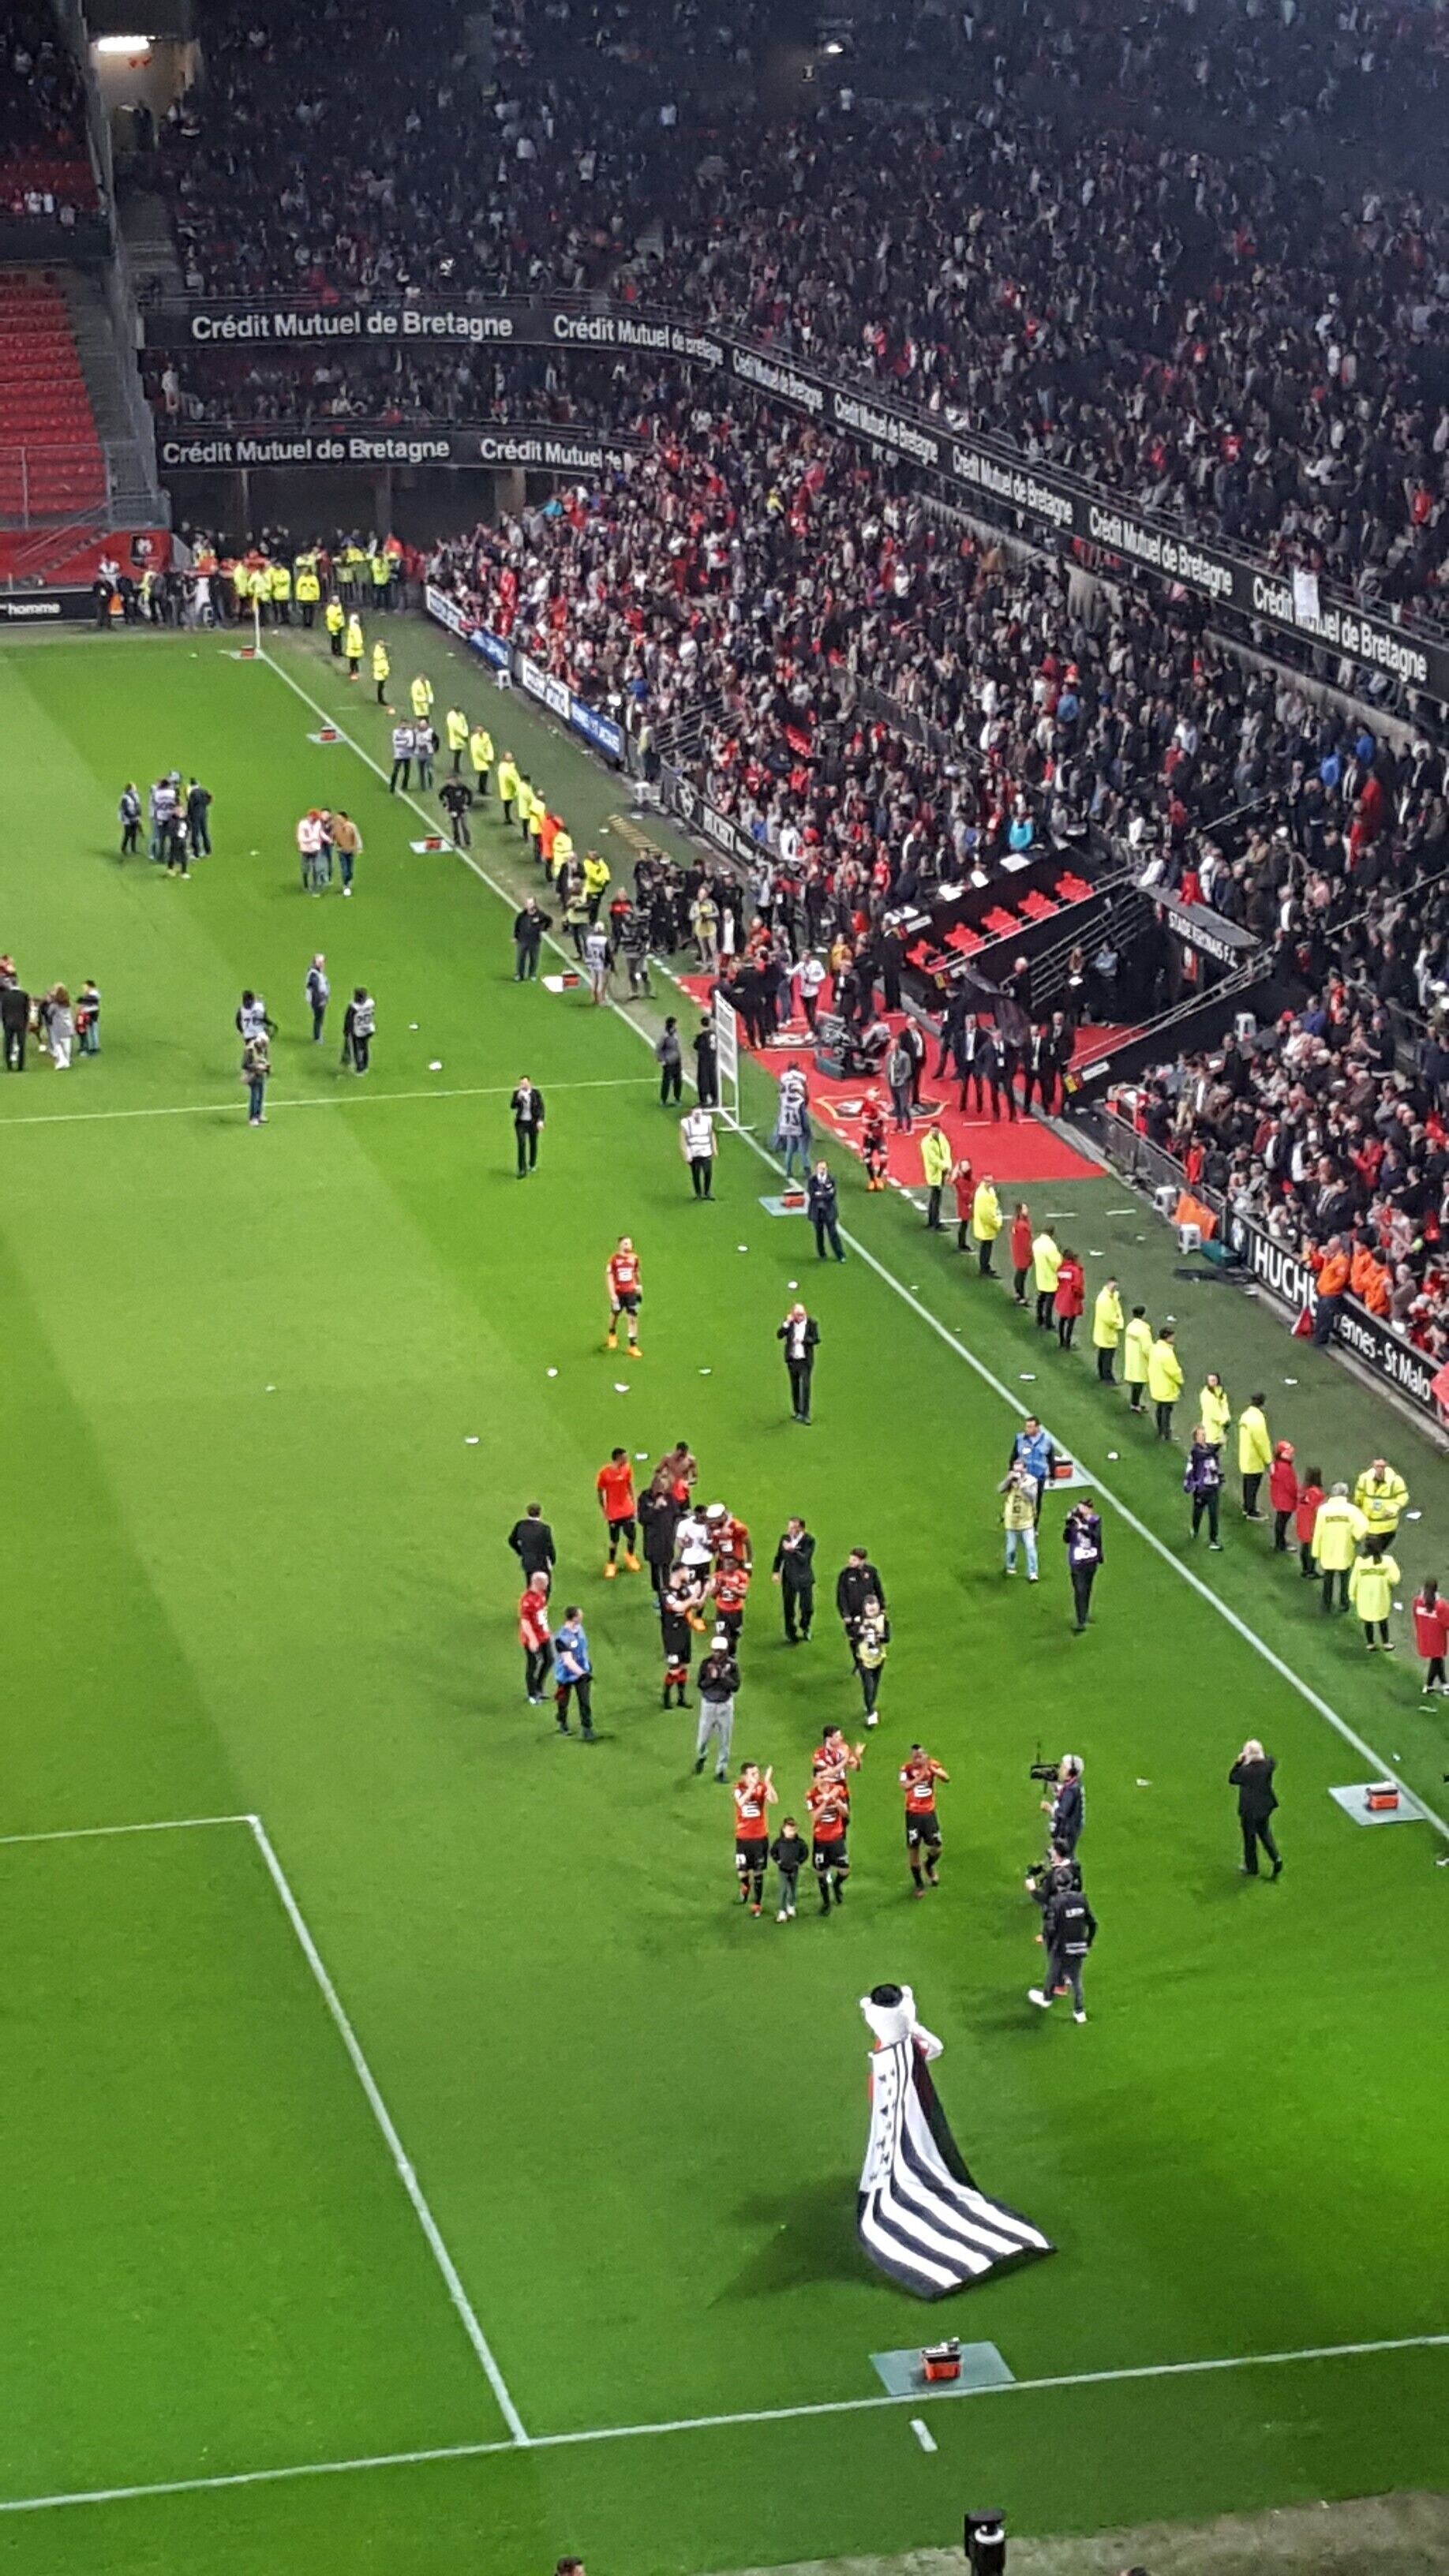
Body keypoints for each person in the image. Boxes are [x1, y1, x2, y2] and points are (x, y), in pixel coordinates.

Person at [1029, 1875, 1097, 2021]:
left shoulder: (1057, 1901)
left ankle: (1046, 1999)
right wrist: (1088, 1941)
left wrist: (1045, 1936)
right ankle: (1080, 2013)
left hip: (1062, 1946)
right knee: (1076, 1979)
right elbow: (1092, 1923)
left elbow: (1052, 1925)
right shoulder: (1081, 1899)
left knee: (1053, 1971)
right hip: (1079, 1945)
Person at [1229, 1740, 1281, 1878]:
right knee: (1265, 1833)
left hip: (1250, 1810)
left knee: (1249, 1838)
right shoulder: (1268, 1765)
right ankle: (1276, 1858)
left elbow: (1233, 1778)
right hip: (1265, 1806)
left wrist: (1239, 1762)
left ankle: (1252, 1867)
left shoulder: (1246, 1772)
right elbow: (1271, 1760)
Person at [1312, 1482, 1366, 1612]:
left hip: (1328, 1549)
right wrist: (1356, 1537)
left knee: (1328, 1578)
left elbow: (1318, 1532)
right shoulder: (1351, 1510)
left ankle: (1326, 1604)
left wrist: (1315, 1551)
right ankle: (1344, 1603)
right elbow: (1363, 1526)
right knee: (1344, 1578)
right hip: (1345, 1549)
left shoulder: (1323, 1510)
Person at [900, 1747, 949, 1893]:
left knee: (937, 1848)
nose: (918, 1759)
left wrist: (931, 1770)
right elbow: (905, 1786)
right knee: (913, 1850)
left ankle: (928, 1865)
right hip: (913, 1815)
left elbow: (946, 1778)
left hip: (929, 1813)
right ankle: (919, 1884)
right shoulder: (906, 1769)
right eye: (915, 1757)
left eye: (920, 1756)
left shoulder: (932, 1764)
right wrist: (921, 1776)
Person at [806, 1762, 851, 1913]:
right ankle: (826, 1903)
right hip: (820, 1839)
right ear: (814, 1779)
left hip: (836, 1837)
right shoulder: (810, 1795)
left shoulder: (838, 1790)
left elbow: (845, 1813)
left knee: (844, 1870)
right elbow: (814, 1816)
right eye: (821, 1777)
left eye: (826, 1775)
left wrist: (835, 1800)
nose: (824, 1779)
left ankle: (837, 1885)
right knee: (821, 1873)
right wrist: (825, 1801)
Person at [694, 1631, 739, 1780]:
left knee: (725, 1740)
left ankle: (721, 1770)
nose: (716, 1654)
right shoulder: (706, 1664)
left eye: (719, 1651)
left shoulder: (732, 1666)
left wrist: (722, 1677)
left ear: (725, 1651)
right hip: (708, 1705)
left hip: (725, 1706)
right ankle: (702, 1755)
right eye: (714, 1650)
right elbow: (701, 1684)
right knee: (702, 1739)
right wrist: (712, 1679)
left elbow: (736, 1686)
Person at [732, 1763, 776, 1915]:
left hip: (759, 1837)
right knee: (742, 1872)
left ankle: (757, 1904)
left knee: (758, 1872)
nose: (756, 1777)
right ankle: (745, 1887)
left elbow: (774, 1800)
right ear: (744, 1776)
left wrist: (768, 1783)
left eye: (757, 1773)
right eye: (752, 1774)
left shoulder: (761, 1787)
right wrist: (752, 1787)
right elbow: (741, 1802)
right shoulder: (738, 1788)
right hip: (743, 1838)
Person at [659, 1562, 703, 1707]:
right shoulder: (666, 1592)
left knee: (684, 1665)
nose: (688, 1573)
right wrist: (695, 1594)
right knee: (674, 1669)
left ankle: (681, 1698)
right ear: (678, 1572)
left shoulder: (684, 1590)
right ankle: (666, 1698)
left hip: (684, 1630)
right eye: (686, 1570)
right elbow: (679, 1607)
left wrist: (706, 1591)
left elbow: (696, 1605)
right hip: (672, 1634)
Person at [836, 1546, 886, 1668]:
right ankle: (858, 1661)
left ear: (862, 1561)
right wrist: (845, 1614)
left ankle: (870, 1661)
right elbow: (841, 1595)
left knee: (870, 1636)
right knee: (854, 1640)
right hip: (852, 1614)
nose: (850, 1562)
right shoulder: (845, 1575)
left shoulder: (871, 1572)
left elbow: (878, 1590)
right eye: (851, 1559)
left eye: (854, 1560)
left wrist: (882, 1607)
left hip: (869, 1613)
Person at [595, 1447, 640, 1578]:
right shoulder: (605, 1473)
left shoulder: (627, 1469)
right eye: (625, 1457)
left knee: (631, 1535)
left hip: (627, 1509)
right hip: (613, 1512)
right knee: (614, 1540)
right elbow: (600, 1490)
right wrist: (604, 1509)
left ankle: (630, 1556)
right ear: (618, 1458)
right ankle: (611, 1563)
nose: (627, 1459)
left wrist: (634, 1503)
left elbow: (630, 1485)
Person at [1354, 1458, 1409, 1560]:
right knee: (1374, 1554)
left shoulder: (1395, 1481)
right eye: (1377, 1466)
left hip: (1387, 1526)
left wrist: (1393, 1508)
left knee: (1375, 1553)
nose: (1380, 1469)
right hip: (1369, 1525)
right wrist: (1359, 1507)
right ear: (1373, 1467)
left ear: (1386, 1467)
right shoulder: (1364, 1479)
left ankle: (1368, 1563)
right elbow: (1359, 1495)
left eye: (1382, 1467)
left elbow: (1403, 1497)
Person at [552, 1608, 594, 1739]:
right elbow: (568, 1661)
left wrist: (587, 1665)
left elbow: (583, 1649)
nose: (582, 1616)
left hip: (582, 1672)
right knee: (563, 1701)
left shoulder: (579, 1629)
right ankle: (562, 1721)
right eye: (580, 1614)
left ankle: (587, 1728)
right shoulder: (562, 1638)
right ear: (574, 1617)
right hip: (566, 1675)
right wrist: (582, 1673)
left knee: (585, 1701)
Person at [1349, 1544, 1400, 1651]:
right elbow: (1395, 1579)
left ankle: (1370, 1643)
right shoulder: (1387, 1561)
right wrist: (1386, 1579)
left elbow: (1354, 1579)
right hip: (1381, 1596)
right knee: (1383, 1620)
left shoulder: (1360, 1562)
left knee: (1368, 1620)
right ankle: (1386, 1642)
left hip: (1364, 1596)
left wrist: (1352, 1594)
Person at [772, 1517, 815, 1641]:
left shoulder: (809, 1540)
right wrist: (776, 1571)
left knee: (807, 1607)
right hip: (789, 1578)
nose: (789, 1530)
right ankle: (790, 1632)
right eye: (789, 1527)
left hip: (804, 1578)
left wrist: (792, 1550)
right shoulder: (784, 1539)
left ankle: (805, 1626)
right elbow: (779, 1556)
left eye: (793, 1527)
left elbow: (805, 1559)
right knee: (788, 1607)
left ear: (801, 1529)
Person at [1063, 1497, 1103, 1631]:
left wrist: (1083, 1528)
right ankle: (1080, 1621)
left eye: (1082, 1508)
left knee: (1087, 1589)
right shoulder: (1074, 1521)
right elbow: (1066, 1539)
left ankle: (1084, 1615)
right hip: (1077, 1561)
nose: (1080, 1511)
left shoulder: (1095, 1521)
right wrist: (1069, 1525)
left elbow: (1096, 1537)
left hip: (1091, 1560)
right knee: (1079, 1590)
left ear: (1089, 1509)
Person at [778, 1301, 819, 1423]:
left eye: (802, 1314)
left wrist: (804, 1340)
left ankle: (806, 1414)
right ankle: (797, 1411)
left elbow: (816, 1339)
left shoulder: (812, 1323)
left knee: (805, 1386)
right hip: (793, 1360)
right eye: (797, 1315)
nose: (800, 1317)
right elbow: (780, 1335)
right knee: (795, 1386)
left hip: (805, 1361)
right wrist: (786, 1323)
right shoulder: (790, 1324)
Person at [1184, 1428, 1224, 1549]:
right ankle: (1195, 1529)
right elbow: (1207, 1454)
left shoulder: (1208, 1447)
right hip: (1201, 1488)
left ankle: (1213, 1540)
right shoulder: (1195, 1451)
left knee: (1214, 1514)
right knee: (1198, 1511)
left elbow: (1214, 1460)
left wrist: (1218, 1475)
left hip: (1212, 1486)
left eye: (1204, 1434)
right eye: (1201, 1434)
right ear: (1196, 1437)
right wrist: (1219, 1444)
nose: (1204, 1436)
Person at [605, 1236, 642, 1359]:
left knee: (632, 1318)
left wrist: (638, 1286)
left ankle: (633, 1346)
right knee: (615, 1313)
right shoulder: (614, 1260)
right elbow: (609, 1277)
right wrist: (612, 1294)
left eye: (630, 1243)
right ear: (620, 1245)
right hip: (619, 1293)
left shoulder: (634, 1258)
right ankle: (612, 1334)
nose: (629, 1245)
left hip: (631, 1292)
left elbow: (636, 1272)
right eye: (626, 1243)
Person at [854, 1595, 889, 1725]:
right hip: (864, 1659)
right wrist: (861, 1632)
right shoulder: (859, 1620)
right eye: (870, 1611)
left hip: (879, 1658)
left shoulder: (883, 1620)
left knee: (875, 1686)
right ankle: (871, 1713)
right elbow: (853, 1636)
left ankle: (869, 1704)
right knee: (868, 1686)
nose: (873, 1613)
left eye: (875, 1610)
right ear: (865, 1610)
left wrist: (878, 1635)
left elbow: (888, 1638)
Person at [1002, 1459, 1039, 1578]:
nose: (1017, 1472)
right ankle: (1010, 1566)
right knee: (1011, 1549)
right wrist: (1008, 1480)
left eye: (1019, 1469)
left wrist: (1022, 1485)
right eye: (1015, 1469)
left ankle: (1033, 1572)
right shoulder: (1011, 1481)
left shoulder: (1032, 1481)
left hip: (1026, 1520)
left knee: (1030, 1547)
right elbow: (1000, 1489)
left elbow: (1032, 1497)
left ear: (1025, 1469)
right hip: (1011, 1519)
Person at [1237, 1393, 1272, 1519]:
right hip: (1254, 1458)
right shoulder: (1258, 1420)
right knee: (1253, 1484)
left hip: (1245, 1454)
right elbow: (1261, 1442)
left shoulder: (1246, 1416)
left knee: (1247, 1483)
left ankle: (1246, 1507)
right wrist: (1268, 1460)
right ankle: (1251, 1510)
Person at [507, 1501, 555, 1592]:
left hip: (527, 1561)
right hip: (541, 1563)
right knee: (545, 1587)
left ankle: (530, 1604)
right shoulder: (544, 1529)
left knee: (530, 1585)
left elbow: (512, 1540)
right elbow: (549, 1546)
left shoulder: (520, 1525)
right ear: (540, 1513)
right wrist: (552, 1560)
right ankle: (540, 1605)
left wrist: (521, 1552)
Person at [1043, 1755, 1084, 1858]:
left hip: (1066, 1834)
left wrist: (1049, 1808)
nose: (1061, 1770)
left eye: (1064, 1768)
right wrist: (1054, 1785)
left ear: (1071, 1772)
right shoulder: (1075, 1785)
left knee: (1062, 1861)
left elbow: (1062, 1813)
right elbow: (1064, 1791)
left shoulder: (1071, 1790)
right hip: (1070, 1832)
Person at [1413, 1578, 1449, 1694]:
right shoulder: (1441, 1606)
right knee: (1437, 1659)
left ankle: (1441, 1684)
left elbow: (1416, 1617)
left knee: (1436, 1660)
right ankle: (1431, 1685)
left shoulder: (1418, 1602)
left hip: (1424, 1637)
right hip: (1437, 1639)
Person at [519, 1575, 551, 1705]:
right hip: (531, 1638)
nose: (547, 1585)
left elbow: (541, 1615)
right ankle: (532, 1694)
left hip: (543, 1635)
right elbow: (525, 1622)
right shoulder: (527, 1600)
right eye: (545, 1583)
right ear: (538, 1583)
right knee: (533, 1664)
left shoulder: (541, 1594)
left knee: (549, 1659)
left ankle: (539, 1687)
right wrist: (532, 1639)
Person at [1148, 1327, 1183, 1440]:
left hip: (1156, 1382)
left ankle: (1160, 1431)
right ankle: (1166, 1434)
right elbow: (1173, 1370)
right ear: (1168, 1337)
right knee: (1166, 1411)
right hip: (1166, 1386)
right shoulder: (1167, 1353)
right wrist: (1180, 1380)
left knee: (1160, 1408)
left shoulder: (1154, 1348)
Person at [770, 1816, 808, 1922]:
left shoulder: (799, 1843)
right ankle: (782, 1911)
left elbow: (805, 1853)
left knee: (792, 1888)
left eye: (793, 1830)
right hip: (783, 1869)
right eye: (789, 1830)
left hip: (794, 1869)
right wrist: (778, 1861)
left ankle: (790, 1905)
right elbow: (773, 1852)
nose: (791, 1832)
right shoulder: (779, 1842)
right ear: (784, 1830)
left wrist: (799, 1862)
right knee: (783, 1890)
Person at [807, 1159, 844, 1261]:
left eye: (824, 1168)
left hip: (829, 1211)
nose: (822, 1170)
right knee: (819, 1234)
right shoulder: (812, 1180)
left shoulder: (831, 1179)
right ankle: (822, 1255)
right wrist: (824, 1194)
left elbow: (831, 1195)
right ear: (817, 1169)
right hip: (817, 1211)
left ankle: (840, 1255)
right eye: (820, 1168)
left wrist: (820, 1194)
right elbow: (812, 1195)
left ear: (827, 1168)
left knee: (833, 1234)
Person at [680, 1101, 716, 1198]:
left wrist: (714, 1148)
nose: (698, 1116)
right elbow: (683, 1140)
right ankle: (698, 1193)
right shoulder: (686, 1123)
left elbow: (711, 1134)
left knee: (708, 1172)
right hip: (693, 1152)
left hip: (706, 1151)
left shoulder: (707, 1121)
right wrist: (686, 1154)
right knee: (696, 1173)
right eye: (696, 1114)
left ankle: (707, 1192)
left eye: (699, 1114)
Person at [1294, 1465, 1325, 1580]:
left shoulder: (1303, 1491)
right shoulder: (1317, 1494)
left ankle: (1305, 1569)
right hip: (1312, 1522)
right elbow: (1319, 1509)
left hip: (1302, 1520)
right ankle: (1310, 1571)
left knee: (1304, 1545)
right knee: (1312, 1548)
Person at [511, 1076, 545, 1177]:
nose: (523, 1085)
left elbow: (541, 1107)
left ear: (529, 1083)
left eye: (525, 1083)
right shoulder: (517, 1094)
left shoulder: (535, 1094)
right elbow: (512, 1106)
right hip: (521, 1123)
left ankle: (532, 1163)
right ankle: (522, 1169)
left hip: (533, 1122)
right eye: (521, 1083)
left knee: (533, 1143)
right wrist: (518, 1099)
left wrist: (540, 1120)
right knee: (521, 1143)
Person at [920, 1120, 951, 1229]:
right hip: (934, 1172)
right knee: (935, 1196)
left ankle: (933, 1221)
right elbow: (932, 1159)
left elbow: (947, 1152)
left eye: (936, 1130)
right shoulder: (926, 1142)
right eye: (932, 1130)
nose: (934, 1132)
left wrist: (947, 1166)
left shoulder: (942, 1138)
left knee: (937, 1196)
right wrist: (945, 1166)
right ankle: (934, 1221)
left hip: (941, 1171)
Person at [1092, 1277, 1123, 1383]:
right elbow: (1108, 1319)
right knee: (1107, 1355)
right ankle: (1108, 1378)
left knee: (1103, 1353)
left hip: (1104, 1332)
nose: (1115, 1289)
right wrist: (1119, 1324)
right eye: (1113, 1286)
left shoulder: (1110, 1297)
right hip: (1107, 1332)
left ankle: (1102, 1375)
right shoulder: (1104, 1300)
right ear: (1108, 1284)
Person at [1269, 1443, 1299, 1552]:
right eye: (1288, 1453)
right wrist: (1298, 1496)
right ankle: (1280, 1544)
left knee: (1280, 1521)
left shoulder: (1277, 1465)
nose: (1291, 1455)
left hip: (1279, 1498)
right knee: (1282, 1522)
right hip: (1285, 1500)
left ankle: (1280, 1542)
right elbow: (1290, 1486)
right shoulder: (1285, 1468)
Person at [1054, 1248, 1085, 1350]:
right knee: (1071, 1322)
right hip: (1072, 1299)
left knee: (1062, 1320)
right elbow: (1077, 1286)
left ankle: (1061, 1341)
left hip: (1062, 1296)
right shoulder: (1075, 1270)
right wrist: (1081, 1295)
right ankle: (1067, 1343)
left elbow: (1058, 1280)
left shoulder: (1061, 1269)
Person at [1032, 1224, 1062, 1330]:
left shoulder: (1036, 1243)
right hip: (1049, 1277)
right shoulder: (1050, 1246)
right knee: (1049, 1301)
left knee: (1041, 1299)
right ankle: (1048, 1322)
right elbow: (1056, 1262)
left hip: (1040, 1274)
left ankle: (1039, 1318)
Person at [1123, 1305, 1151, 1413]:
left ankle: (1134, 1402)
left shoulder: (1130, 1326)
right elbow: (1147, 1348)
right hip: (1140, 1359)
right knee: (1139, 1383)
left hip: (1132, 1356)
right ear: (1143, 1315)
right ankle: (1135, 1404)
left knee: (1135, 1382)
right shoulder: (1144, 1330)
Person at [972, 1174, 1002, 1276]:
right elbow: (986, 1215)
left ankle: (985, 1266)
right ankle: (984, 1268)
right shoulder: (983, 1195)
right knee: (986, 1247)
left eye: (991, 1181)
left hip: (988, 1225)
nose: (990, 1183)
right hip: (986, 1226)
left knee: (987, 1246)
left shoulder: (989, 1192)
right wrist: (996, 1224)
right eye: (988, 1181)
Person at [512, 897, 549, 980]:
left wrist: (543, 928)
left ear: (534, 904)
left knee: (534, 958)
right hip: (523, 940)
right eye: (527, 903)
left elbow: (548, 920)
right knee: (521, 958)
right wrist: (515, 936)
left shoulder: (540, 915)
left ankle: (532, 974)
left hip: (535, 940)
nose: (528, 905)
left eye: (530, 903)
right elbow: (517, 925)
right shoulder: (522, 915)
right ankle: (519, 975)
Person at [341, 986, 374, 1074]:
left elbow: (348, 1020)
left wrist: (346, 1031)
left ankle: (360, 1068)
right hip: (368, 1029)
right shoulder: (370, 1003)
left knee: (358, 1049)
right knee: (365, 1047)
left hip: (358, 1031)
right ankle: (365, 1065)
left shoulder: (353, 1008)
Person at [241, 1025, 270, 1125]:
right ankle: (253, 1117)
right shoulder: (250, 1049)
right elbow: (245, 1065)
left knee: (261, 1095)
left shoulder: (262, 1048)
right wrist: (257, 1067)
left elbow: (264, 1059)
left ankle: (259, 1115)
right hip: (252, 1076)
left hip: (260, 1075)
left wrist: (266, 1066)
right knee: (255, 1095)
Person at [1198, 1372, 1231, 1447]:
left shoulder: (1221, 1393)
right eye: (1211, 1380)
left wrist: (1227, 1418)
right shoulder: (1206, 1396)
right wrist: (1224, 1421)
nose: (1212, 1382)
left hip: (1220, 1431)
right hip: (1210, 1431)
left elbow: (1225, 1406)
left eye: (1214, 1380)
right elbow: (1213, 1413)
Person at [440, 770, 473, 846]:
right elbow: (441, 796)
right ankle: (457, 841)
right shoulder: (447, 788)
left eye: (450, 779)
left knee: (464, 826)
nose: (448, 781)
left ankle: (467, 842)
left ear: (454, 779)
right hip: (452, 810)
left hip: (462, 809)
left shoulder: (461, 787)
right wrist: (445, 805)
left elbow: (469, 793)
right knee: (455, 827)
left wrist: (467, 804)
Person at [331, 810, 360, 895]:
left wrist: (355, 848)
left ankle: (348, 880)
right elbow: (334, 838)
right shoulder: (336, 829)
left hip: (350, 851)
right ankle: (345, 885)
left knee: (350, 869)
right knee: (344, 868)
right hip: (341, 851)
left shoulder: (351, 827)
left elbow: (355, 838)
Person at [1009, 1201, 1032, 1305]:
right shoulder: (1022, 1226)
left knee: (1020, 1273)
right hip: (1022, 1254)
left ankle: (1018, 1293)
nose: (1027, 1210)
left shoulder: (1017, 1223)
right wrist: (1030, 1254)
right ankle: (1021, 1295)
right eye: (1025, 1209)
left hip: (1017, 1252)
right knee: (1022, 1274)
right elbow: (1025, 1242)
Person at [694, 1017, 718, 1108]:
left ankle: (704, 1100)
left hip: (704, 1060)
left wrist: (698, 1037)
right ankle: (715, 1098)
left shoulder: (702, 1036)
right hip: (712, 1059)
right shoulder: (713, 1034)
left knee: (703, 1079)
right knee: (713, 1078)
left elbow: (696, 1046)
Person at [305, 954, 329, 1043]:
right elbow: (315, 989)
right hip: (317, 999)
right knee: (319, 1018)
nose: (322, 964)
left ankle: (318, 1035)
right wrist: (320, 1000)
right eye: (320, 962)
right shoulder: (314, 974)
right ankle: (317, 1037)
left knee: (319, 1018)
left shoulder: (318, 972)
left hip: (319, 998)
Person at [118, 781, 141, 856]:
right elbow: (125, 809)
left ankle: (133, 849)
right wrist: (131, 816)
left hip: (134, 817)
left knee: (134, 833)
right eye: (134, 787)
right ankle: (123, 848)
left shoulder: (136, 796)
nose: (135, 788)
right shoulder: (125, 797)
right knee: (127, 833)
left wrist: (138, 814)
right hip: (127, 819)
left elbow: (138, 806)